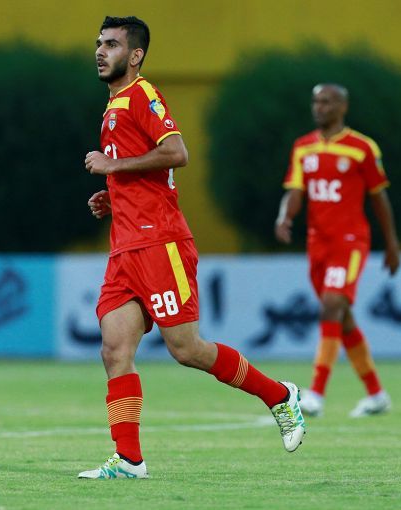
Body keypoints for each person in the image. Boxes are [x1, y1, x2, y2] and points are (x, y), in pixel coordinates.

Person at [78, 15, 305, 480]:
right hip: (125, 247)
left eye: (112, 44)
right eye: (99, 43)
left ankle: (280, 396)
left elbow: (177, 152)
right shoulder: (114, 106)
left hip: (160, 242)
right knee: (114, 349)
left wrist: (113, 168)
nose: (101, 51)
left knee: (186, 348)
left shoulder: (142, 94)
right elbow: (147, 173)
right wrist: (114, 196)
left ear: (135, 55)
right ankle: (129, 460)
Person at [274, 83, 401, 418]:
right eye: (316, 101)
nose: (320, 107)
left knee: (331, 306)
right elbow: (295, 190)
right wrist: (285, 216)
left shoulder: (361, 147)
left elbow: (379, 196)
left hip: (350, 241)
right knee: (341, 318)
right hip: (318, 244)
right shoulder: (303, 147)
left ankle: (315, 393)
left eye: (327, 102)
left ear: (343, 107)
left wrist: (391, 243)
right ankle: (376, 394)